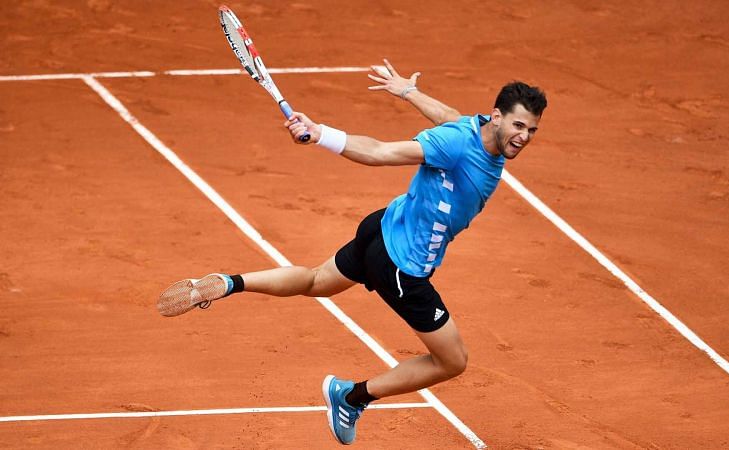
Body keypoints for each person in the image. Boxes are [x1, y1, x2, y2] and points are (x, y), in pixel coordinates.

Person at [157, 59, 547, 445]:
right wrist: (320, 133)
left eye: (531, 129)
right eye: (517, 126)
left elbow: (451, 116)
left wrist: (409, 92)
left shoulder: (476, 128)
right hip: (403, 266)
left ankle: (230, 283)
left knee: (315, 281)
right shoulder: (456, 146)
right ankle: (352, 396)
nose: (524, 137)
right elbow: (379, 152)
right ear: (497, 117)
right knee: (452, 361)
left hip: (381, 227)